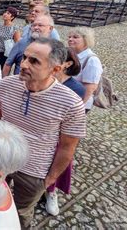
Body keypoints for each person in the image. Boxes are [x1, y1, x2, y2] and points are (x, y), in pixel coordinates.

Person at [0, 38, 87, 228]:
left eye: (34, 61)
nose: (23, 64)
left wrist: (49, 179)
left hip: (34, 171)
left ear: (56, 69)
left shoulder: (71, 104)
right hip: (0, 158)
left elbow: (67, 148)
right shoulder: (6, 85)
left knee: (20, 212)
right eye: (25, 57)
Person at [45, 47, 86, 216]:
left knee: (55, 165)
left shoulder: (75, 88)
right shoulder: (44, 79)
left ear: (67, 64)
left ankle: (50, 192)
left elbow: (72, 119)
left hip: (58, 136)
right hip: (41, 132)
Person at [68, 27, 103, 113]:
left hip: (78, 103)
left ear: (86, 40)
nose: (70, 39)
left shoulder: (92, 60)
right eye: (69, 37)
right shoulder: (72, 55)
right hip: (67, 99)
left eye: (75, 37)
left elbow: (90, 87)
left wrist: (79, 106)